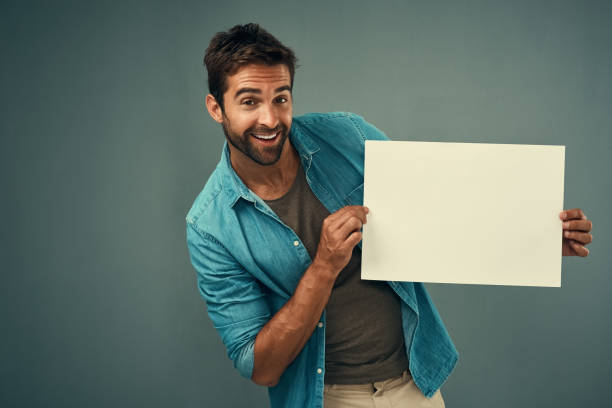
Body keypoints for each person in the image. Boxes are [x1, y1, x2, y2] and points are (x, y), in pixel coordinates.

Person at [186, 23, 594, 408]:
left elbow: (438, 207)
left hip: (413, 384)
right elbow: (261, 367)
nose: (270, 119)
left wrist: (532, 240)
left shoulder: (347, 135)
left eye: (281, 98)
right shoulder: (209, 227)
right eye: (249, 101)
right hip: (325, 397)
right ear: (216, 108)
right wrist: (324, 267)